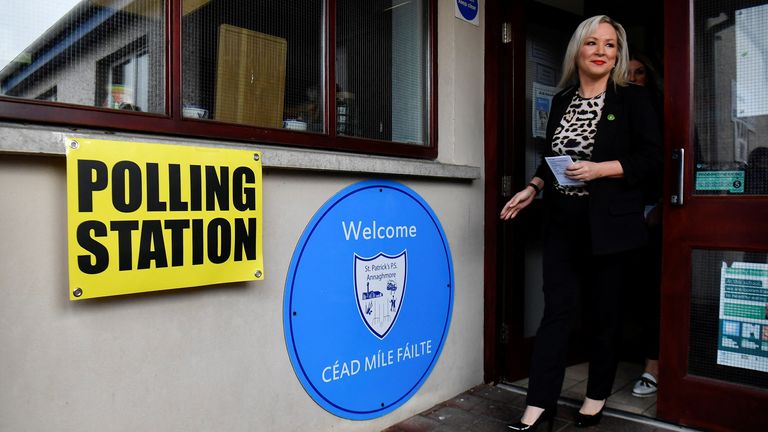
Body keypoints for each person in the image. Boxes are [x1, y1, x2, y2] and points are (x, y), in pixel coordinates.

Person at [500, 15, 662, 430]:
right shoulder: (562, 100)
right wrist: (533, 187)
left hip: (612, 225)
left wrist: (601, 169)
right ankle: (538, 406)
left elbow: (651, 160)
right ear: (579, 49)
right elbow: (552, 160)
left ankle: (596, 396)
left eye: (610, 45)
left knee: (605, 316)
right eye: (593, 43)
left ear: (617, 55)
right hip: (563, 222)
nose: (602, 52)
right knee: (557, 312)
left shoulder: (632, 100)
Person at [627, 52, 663, 398]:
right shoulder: (614, 110)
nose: (635, 77)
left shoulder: (664, 109)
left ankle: (653, 366)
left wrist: (664, 206)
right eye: (629, 73)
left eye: (640, 72)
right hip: (621, 213)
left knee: (654, 293)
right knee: (629, 293)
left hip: (656, 213)